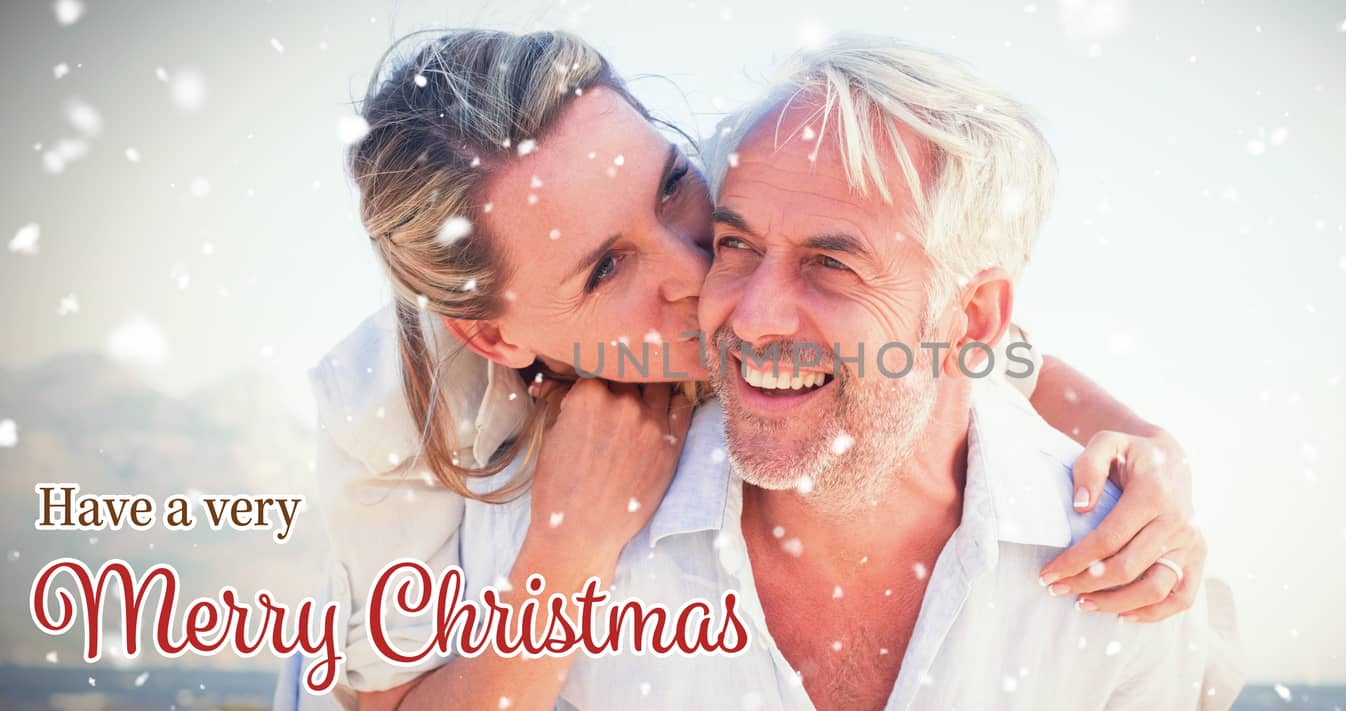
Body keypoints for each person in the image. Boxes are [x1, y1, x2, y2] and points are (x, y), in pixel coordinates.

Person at [273, 29, 1227, 711]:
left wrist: (1150, 446)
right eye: (608, 267)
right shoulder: (398, 412)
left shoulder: (768, 253)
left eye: (676, 191)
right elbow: (384, 697)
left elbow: (969, 348)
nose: (703, 275)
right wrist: (571, 553)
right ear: (496, 337)